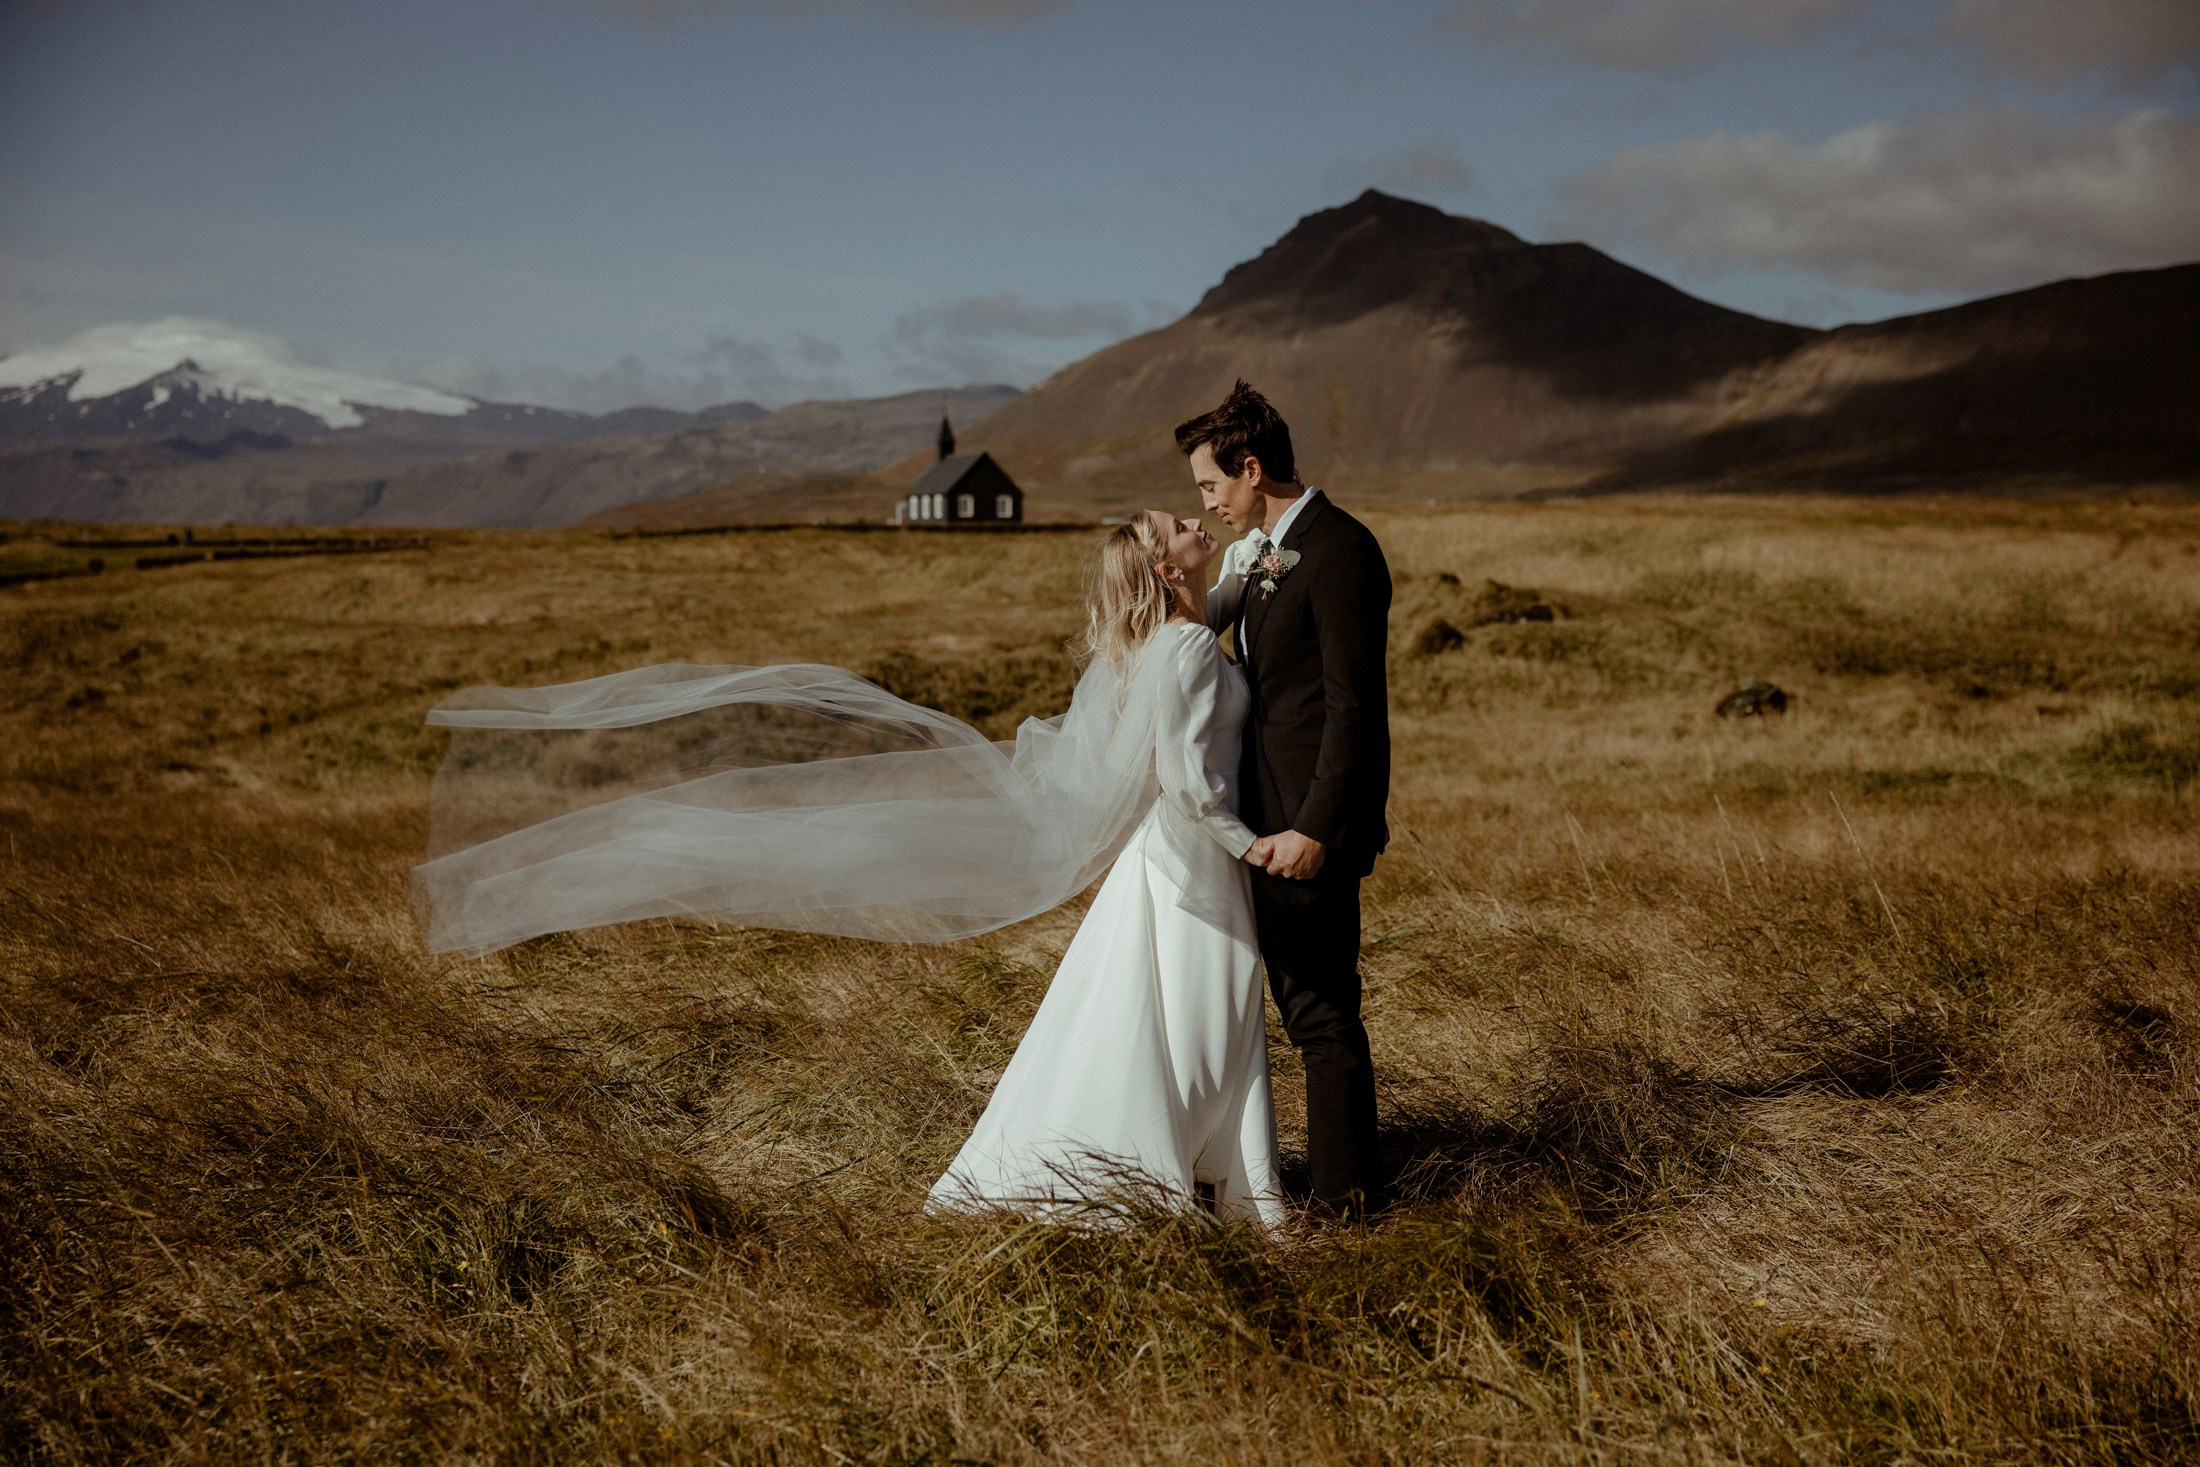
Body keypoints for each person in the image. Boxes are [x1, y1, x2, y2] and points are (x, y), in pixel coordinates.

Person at [412, 509, 1285, 1226]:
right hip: (1192, 862)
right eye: (1180, 523)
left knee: (1176, 1019)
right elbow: (1185, 780)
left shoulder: (1182, 637)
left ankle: (1209, 1180)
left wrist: (1246, 569)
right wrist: (1256, 845)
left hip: (1172, 864)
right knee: (1200, 1015)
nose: (1195, 518)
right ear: (1165, 569)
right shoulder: (1191, 650)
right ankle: (1182, 1182)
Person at [1179, 381, 1392, 1218]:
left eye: (1210, 485)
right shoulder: (1261, 554)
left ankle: (1350, 1207)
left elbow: (1353, 710)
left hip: (1307, 830)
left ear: (1252, 468)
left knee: (1322, 1017)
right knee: (1291, 1013)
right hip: (1262, 829)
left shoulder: (1341, 552)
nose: (1207, 502)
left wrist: (1317, 829)